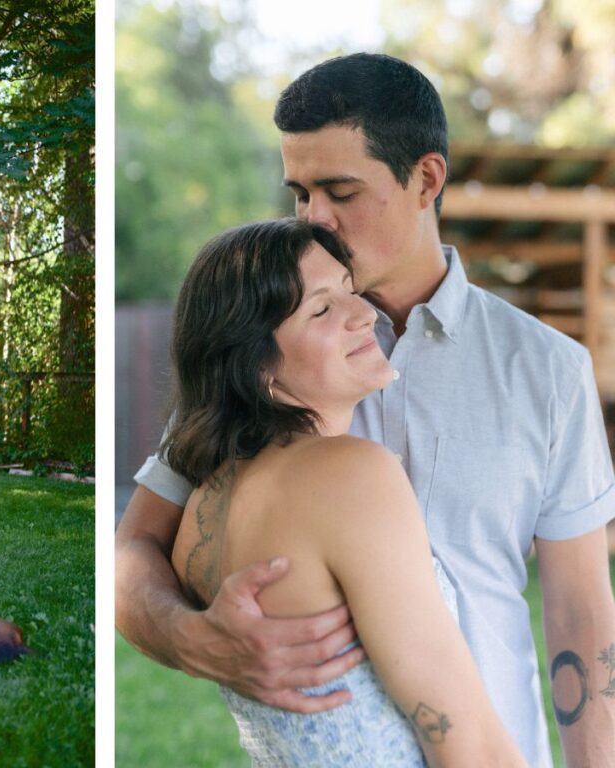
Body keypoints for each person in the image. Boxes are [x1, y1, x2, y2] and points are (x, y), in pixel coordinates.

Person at [115, 53, 615, 767]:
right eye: (299, 193)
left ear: (426, 179)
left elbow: (580, 613)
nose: (315, 218)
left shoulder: (548, 371)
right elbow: (134, 546)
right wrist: (187, 637)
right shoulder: (267, 346)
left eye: (340, 190)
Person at [165, 217, 525, 765]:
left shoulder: (203, 504)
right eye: (322, 309)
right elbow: (463, 738)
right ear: (259, 365)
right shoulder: (350, 475)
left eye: (349, 291)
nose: (366, 314)